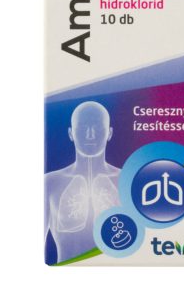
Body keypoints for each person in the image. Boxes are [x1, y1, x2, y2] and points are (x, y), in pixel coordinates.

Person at [45, 101, 120, 262]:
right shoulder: (50, 183)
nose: (90, 135)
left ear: (109, 133)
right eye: (82, 127)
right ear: (71, 133)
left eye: (98, 127)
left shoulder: (127, 181)